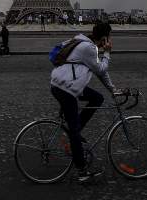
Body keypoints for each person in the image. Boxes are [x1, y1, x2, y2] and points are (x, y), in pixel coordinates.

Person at [50, 21, 117, 182]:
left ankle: (76, 130)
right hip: (66, 88)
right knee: (74, 130)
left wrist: (113, 89)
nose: (108, 41)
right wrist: (107, 53)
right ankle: (82, 170)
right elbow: (101, 69)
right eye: (107, 38)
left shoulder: (83, 41)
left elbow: (99, 71)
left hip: (64, 83)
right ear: (103, 38)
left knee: (97, 98)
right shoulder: (88, 48)